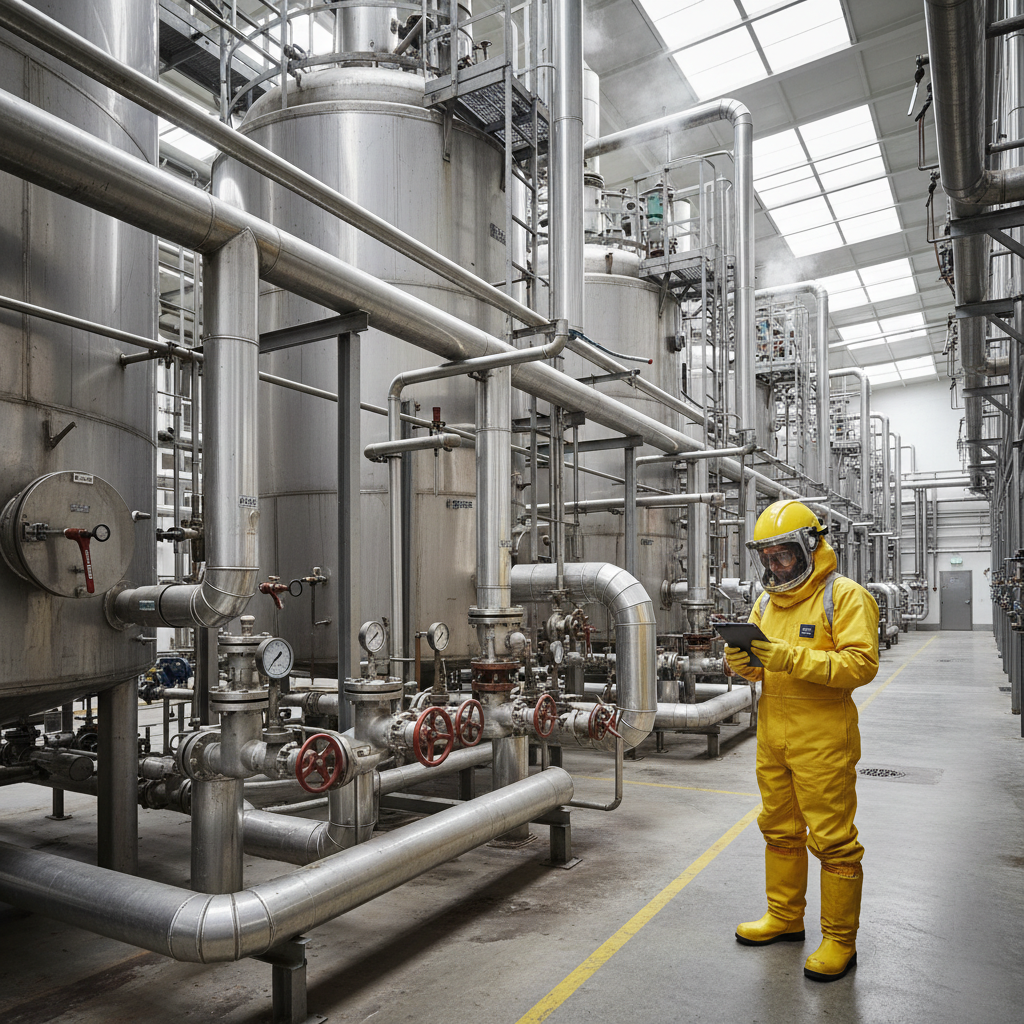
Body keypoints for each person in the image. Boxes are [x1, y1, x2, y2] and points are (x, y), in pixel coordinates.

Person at [724, 500, 879, 982]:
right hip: (773, 735)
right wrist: (741, 659)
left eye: (784, 556)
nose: (775, 566)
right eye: (767, 558)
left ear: (811, 546)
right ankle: (786, 918)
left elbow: (860, 665)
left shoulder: (844, 595)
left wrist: (788, 657)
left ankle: (839, 939)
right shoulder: (767, 602)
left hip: (824, 739)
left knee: (833, 840)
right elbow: (757, 667)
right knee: (779, 828)